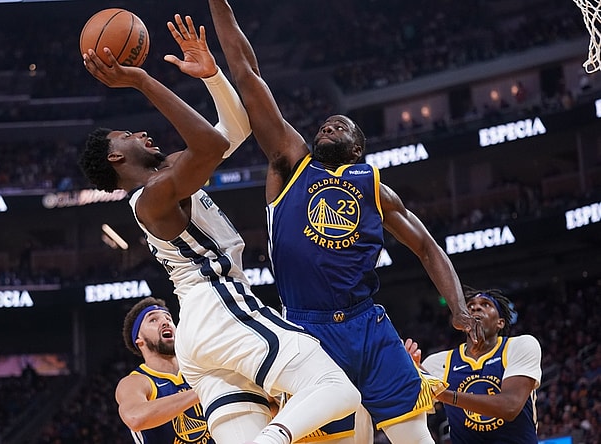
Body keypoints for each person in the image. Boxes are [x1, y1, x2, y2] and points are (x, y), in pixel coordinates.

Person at [204, 1, 483, 442]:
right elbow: (247, 74)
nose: (328, 127)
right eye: (325, 125)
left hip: (367, 325)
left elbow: (427, 248)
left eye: (340, 126)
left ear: (357, 149)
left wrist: (459, 307)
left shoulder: (374, 187)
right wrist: (219, 4)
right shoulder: (290, 163)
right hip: (306, 330)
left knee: (416, 438)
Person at [79, 15, 360, 444]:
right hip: (222, 307)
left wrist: (211, 75)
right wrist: (142, 81)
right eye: (127, 135)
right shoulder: (152, 197)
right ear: (115, 158)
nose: (141, 133)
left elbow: (234, 131)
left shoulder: (170, 172)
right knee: (337, 389)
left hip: (200, 334)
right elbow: (210, 145)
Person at [415, 287, 542, 443]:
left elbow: (510, 407)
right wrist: (407, 367)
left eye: (486, 304)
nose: (476, 307)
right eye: (470, 306)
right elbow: (410, 408)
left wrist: (444, 394)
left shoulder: (519, 346)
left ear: (500, 323)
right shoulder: (437, 362)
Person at [116, 297, 215, 443]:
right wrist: (202, 390)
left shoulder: (200, 368)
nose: (165, 322)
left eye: (168, 318)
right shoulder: (136, 381)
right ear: (139, 339)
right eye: (153, 320)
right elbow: (135, 418)